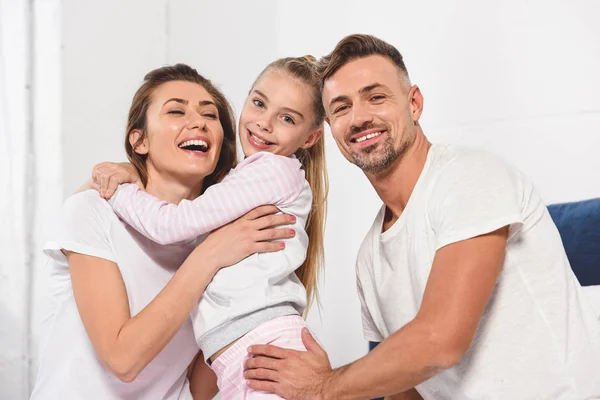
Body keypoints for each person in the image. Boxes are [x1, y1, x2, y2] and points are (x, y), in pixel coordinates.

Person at [244, 34, 600, 400]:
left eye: (376, 97)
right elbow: (405, 389)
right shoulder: (370, 258)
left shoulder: (468, 176)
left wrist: (323, 386)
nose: (359, 117)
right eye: (341, 107)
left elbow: (441, 340)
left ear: (414, 104)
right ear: (330, 129)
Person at [30, 64, 295, 400]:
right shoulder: (92, 212)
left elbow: (200, 386)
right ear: (139, 141)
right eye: (176, 110)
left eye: (210, 115)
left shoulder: (230, 238)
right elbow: (123, 360)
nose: (198, 121)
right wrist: (210, 256)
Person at [88, 56, 328, 399]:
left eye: (287, 118)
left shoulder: (272, 171)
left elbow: (171, 224)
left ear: (310, 137)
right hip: (239, 354)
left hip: (264, 348)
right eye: (259, 103)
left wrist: (120, 189)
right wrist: (130, 172)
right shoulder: (244, 183)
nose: (265, 123)